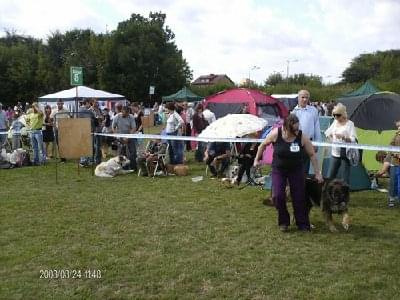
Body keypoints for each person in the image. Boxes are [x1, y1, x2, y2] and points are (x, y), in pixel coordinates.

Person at [254, 114, 323, 232]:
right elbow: (262, 145)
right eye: (294, 129)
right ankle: (284, 222)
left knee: (299, 197)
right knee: (278, 196)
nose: (296, 131)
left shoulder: (301, 137)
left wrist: (317, 173)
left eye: (297, 128)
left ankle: (302, 223)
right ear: (286, 127)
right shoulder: (276, 133)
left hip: (296, 170)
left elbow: (312, 155)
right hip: (279, 170)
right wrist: (256, 160)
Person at [324, 103, 357, 185]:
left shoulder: (350, 124)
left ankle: (345, 195)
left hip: (345, 153)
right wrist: (330, 135)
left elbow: (354, 139)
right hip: (335, 153)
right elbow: (327, 132)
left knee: (345, 178)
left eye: (338, 115)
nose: (335, 117)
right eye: (334, 115)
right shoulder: (335, 122)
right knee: (330, 175)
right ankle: (327, 192)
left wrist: (344, 137)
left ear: (343, 114)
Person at [292, 90, 321, 173]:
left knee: (305, 167)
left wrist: (317, 143)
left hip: (308, 142)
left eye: (306, 98)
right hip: (296, 142)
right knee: (294, 166)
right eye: (302, 97)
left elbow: (317, 128)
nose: (304, 99)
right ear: (298, 98)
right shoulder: (293, 112)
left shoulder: (313, 110)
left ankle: (303, 184)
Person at [112, 105, 137, 171]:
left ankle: (133, 167)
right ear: (122, 111)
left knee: (133, 152)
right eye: (125, 113)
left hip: (130, 136)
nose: (127, 114)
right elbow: (113, 127)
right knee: (121, 153)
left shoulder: (131, 117)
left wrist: (128, 137)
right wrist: (117, 135)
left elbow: (134, 128)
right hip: (120, 137)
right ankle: (123, 168)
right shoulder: (117, 116)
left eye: (128, 113)